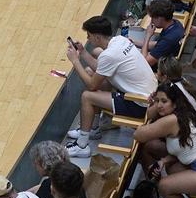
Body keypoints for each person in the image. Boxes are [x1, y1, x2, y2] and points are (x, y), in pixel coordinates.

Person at [64, 15, 159, 153]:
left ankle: (82, 145)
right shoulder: (120, 40)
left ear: (97, 37)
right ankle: (94, 129)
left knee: (87, 96)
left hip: (140, 103)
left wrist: (75, 61)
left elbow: (92, 86)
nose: (87, 39)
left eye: (89, 35)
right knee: (91, 72)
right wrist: (83, 53)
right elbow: (102, 69)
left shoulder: (109, 55)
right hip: (150, 95)